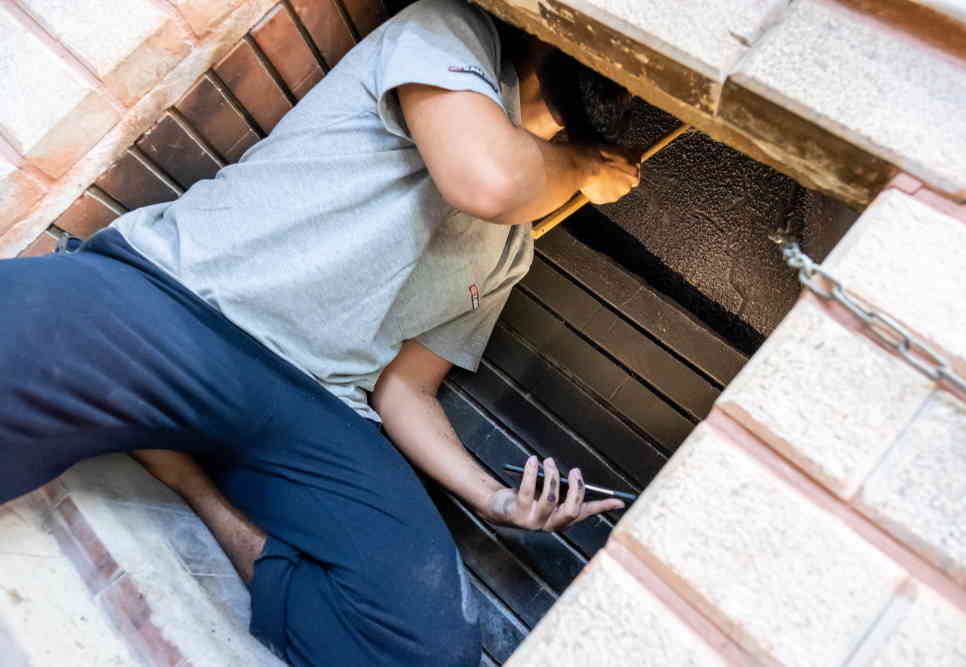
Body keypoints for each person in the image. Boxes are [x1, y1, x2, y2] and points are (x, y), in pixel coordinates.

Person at [0, 0, 639, 664]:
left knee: (425, 646)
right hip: (181, 301)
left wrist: (495, 497)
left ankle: (187, 475)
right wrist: (586, 172)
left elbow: (407, 392)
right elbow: (489, 174)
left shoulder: (512, 251)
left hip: (311, 410)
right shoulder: (452, 33)